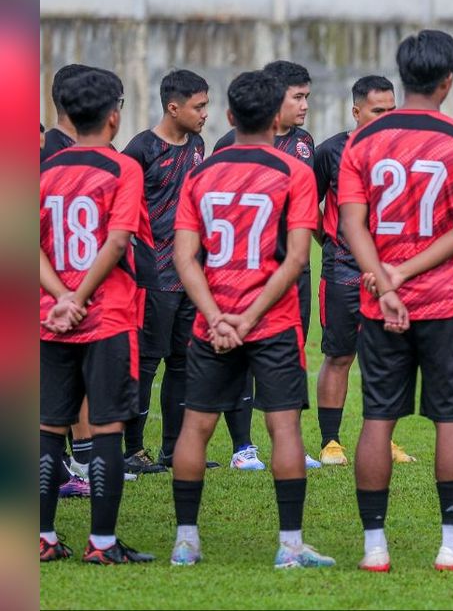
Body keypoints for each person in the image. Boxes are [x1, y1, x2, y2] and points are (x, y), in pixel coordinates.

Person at [340, 30, 453, 572]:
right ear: (448, 80)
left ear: (402, 76)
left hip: (379, 302)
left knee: (378, 418)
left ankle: (373, 549)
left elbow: (349, 224)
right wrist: (404, 272)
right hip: (445, 301)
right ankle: (452, 549)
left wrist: (384, 281)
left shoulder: (363, 141)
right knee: (451, 419)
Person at [169, 69, 333, 569]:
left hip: (212, 324)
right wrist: (248, 317)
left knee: (194, 429)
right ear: (276, 115)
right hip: (272, 322)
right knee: (285, 429)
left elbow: (183, 257)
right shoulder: (294, 172)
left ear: (229, 116)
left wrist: (219, 316)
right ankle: (289, 547)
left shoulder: (201, 172)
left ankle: (186, 543)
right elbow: (297, 259)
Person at [40, 68, 154, 563]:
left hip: (49, 316)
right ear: (114, 117)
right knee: (106, 428)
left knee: (47, 428)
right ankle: (102, 544)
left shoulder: (43, 170)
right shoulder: (122, 169)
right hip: (106, 316)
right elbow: (118, 240)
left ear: (63, 115)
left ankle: (41, 539)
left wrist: (62, 297)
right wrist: (82, 297)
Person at [215, 60, 318, 471]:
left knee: (288, 359)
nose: (304, 105)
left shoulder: (305, 142)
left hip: (294, 268)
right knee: (241, 359)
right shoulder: (230, 143)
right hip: (244, 271)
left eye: (307, 96)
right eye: (298, 97)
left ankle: (288, 444)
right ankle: (243, 447)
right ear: (275, 100)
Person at [312, 75, 414, 466]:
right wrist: (335, 245)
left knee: (387, 356)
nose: (387, 117)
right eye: (378, 111)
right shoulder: (331, 152)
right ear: (356, 112)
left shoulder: (404, 151)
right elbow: (311, 208)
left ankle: (382, 438)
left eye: (392, 110)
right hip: (343, 274)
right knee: (339, 356)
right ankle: (331, 442)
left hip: (391, 276)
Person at [121, 69, 217, 474]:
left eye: (207, 105)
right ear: (173, 107)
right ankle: (133, 449)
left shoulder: (197, 145)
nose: (205, 114)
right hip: (153, 274)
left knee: (182, 361)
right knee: (147, 361)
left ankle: (173, 449)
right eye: (199, 106)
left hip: (189, 273)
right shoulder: (140, 150)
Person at [42, 63, 103, 498]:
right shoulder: (57, 153)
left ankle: (72, 462)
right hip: (66, 289)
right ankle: (76, 460)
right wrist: (70, 294)